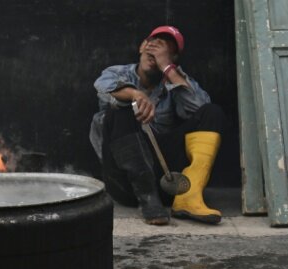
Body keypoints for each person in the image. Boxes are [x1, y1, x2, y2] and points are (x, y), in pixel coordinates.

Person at [89, 25, 225, 225]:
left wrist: (169, 70)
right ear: (142, 47)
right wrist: (136, 94)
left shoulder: (172, 79)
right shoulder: (118, 72)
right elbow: (104, 87)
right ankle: (148, 198)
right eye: (151, 44)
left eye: (163, 49)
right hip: (125, 182)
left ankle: (189, 197)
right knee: (123, 108)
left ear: (172, 58)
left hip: (169, 182)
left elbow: (199, 107)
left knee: (211, 112)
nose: (154, 50)